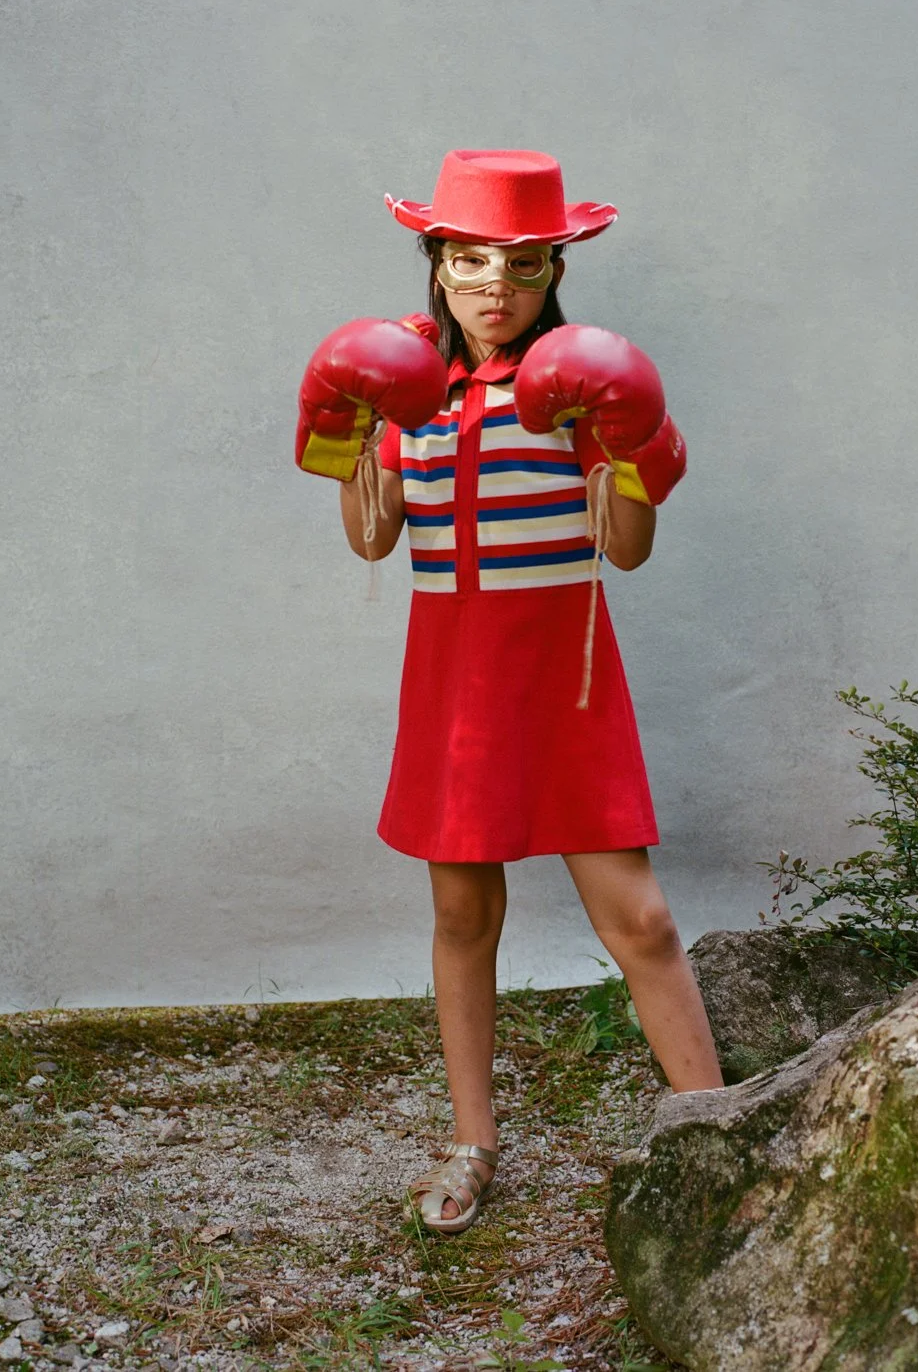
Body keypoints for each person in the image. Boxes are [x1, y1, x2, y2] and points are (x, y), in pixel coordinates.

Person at [295, 149, 724, 1234]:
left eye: (523, 265)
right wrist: (353, 431)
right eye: (472, 260)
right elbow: (375, 539)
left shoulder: (578, 378)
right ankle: (473, 1138)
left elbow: (622, 552)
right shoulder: (411, 385)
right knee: (461, 907)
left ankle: (721, 1134)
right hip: (455, 674)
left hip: (563, 669)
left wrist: (630, 436)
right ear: (436, 262)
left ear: (553, 270)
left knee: (643, 917)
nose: (497, 286)